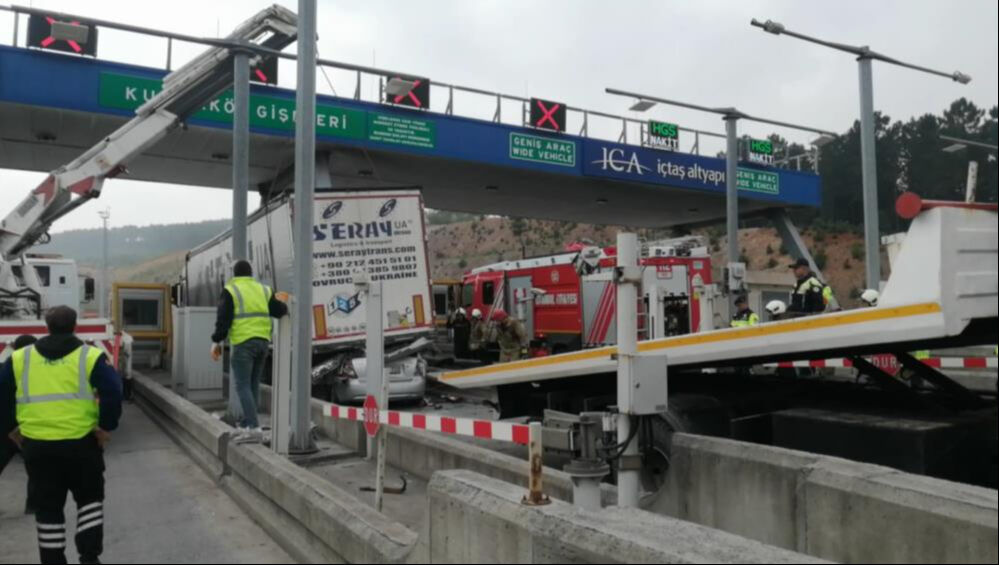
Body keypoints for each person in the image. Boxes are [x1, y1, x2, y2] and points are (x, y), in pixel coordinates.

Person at [0, 307, 123, 565]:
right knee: (89, 501)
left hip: (38, 448)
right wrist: (105, 426)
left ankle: (53, 560)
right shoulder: (90, 356)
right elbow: (113, 390)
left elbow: (2, 393)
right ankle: (89, 557)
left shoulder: (21, 358)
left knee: (48, 508)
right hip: (82, 445)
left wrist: (12, 427)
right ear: (74, 325)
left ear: (47, 326)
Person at [211, 260, 288, 440]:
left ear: (235, 274)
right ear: (250, 273)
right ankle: (247, 422)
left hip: (243, 343)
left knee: (242, 385)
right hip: (262, 343)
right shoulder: (264, 289)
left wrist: (216, 341)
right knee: (252, 384)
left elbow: (224, 319)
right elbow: (278, 310)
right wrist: (285, 304)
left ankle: (254, 427)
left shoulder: (231, 290)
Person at [1, 335, 39, 516]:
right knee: (35, 468)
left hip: (6, 425)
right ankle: (32, 505)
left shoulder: (8, 366)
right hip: (28, 426)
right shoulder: (39, 368)